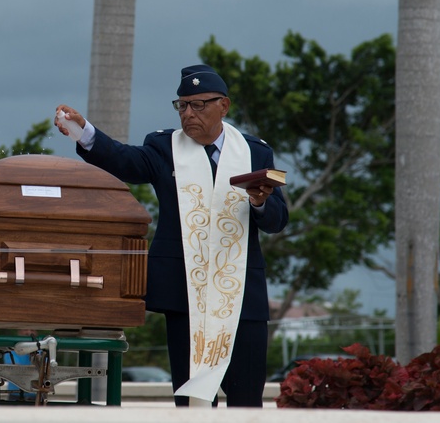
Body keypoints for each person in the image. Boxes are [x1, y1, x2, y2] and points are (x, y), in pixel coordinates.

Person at [55, 64, 289, 408]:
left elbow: (278, 220)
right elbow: (125, 161)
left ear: (223, 106)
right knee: (191, 397)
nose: (188, 114)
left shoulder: (256, 152)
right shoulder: (164, 146)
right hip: (184, 289)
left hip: (241, 293)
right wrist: (84, 132)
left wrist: (259, 203)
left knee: (246, 400)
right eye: (182, 106)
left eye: (198, 105)